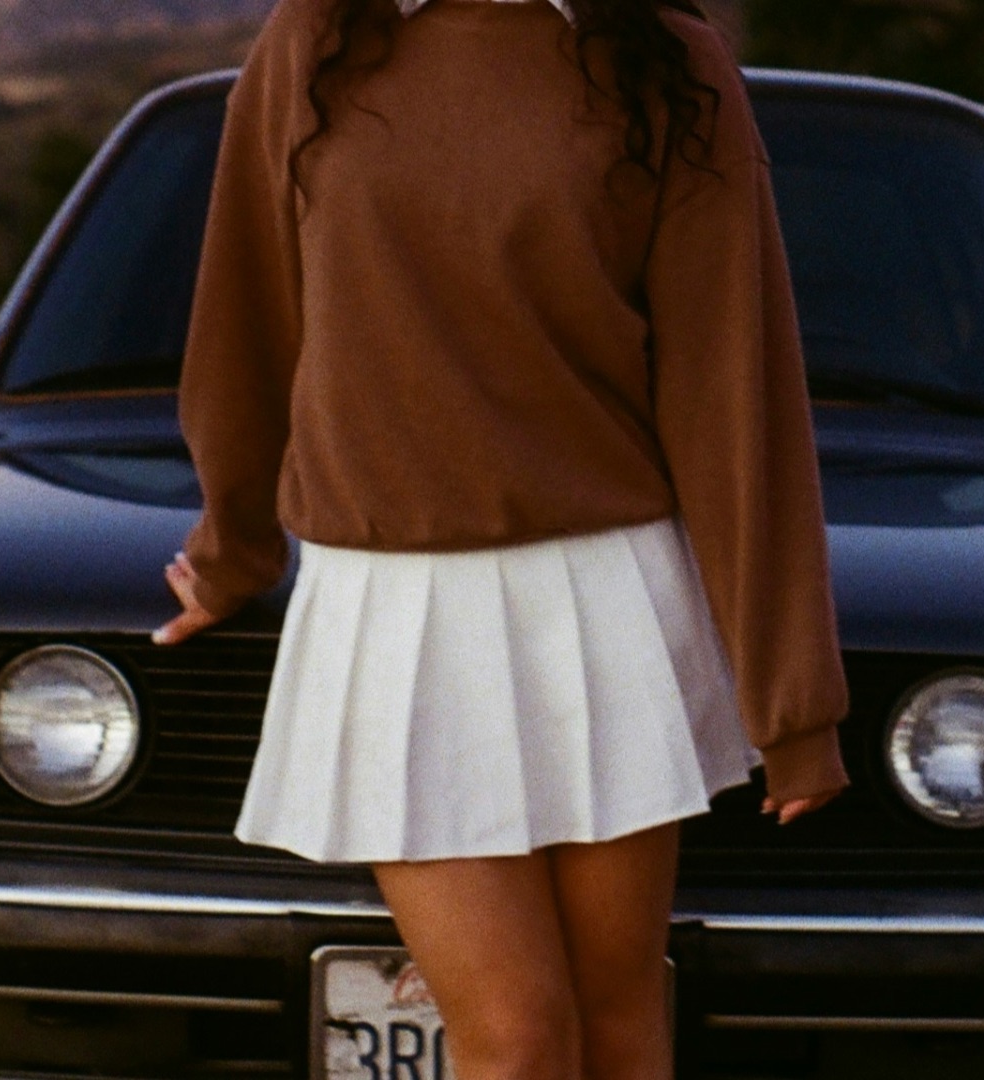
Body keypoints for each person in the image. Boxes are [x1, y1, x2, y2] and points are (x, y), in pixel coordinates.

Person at [152, 0, 849, 1076]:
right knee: (518, 1037)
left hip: (607, 593)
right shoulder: (318, 40)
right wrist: (230, 553)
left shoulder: (665, 59)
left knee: (616, 1026)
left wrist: (793, 704)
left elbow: (732, 389)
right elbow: (249, 319)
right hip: (389, 607)